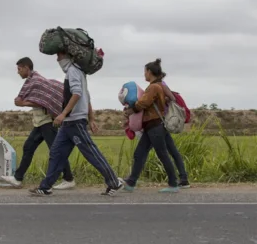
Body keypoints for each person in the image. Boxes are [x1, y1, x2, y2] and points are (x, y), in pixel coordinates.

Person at [30, 52, 123, 196]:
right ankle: (45, 187)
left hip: (75, 121)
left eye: (59, 56)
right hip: (68, 123)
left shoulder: (73, 71)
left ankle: (114, 182)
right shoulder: (77, 71)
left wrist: (63, 114)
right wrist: (91, 118)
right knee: (56, 153)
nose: (57, 59)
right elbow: (87, 95)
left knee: (90, 152)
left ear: (68, 56)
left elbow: (78, 93)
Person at [1, 57, 75, 190]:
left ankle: (68, 178)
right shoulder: (31, 81)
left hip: (47, 122)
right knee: (28, 147)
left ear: (26, 68)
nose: (18, 72)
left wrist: (23, 103)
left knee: (56, 150)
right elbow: (38, 99)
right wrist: (22, 102)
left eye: (19, 69)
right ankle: (18, 178)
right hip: (40, 123)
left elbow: (42, 101)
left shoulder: (37, 81)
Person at [119, 59, 185, 193]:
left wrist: (131, 109)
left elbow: (144, 103)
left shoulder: (154, 87)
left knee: (162, 155)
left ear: (149, 72)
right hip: (154, 127)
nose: (144, 74)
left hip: (155, 127)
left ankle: (173, 184)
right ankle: (131, 182)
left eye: (145, 71)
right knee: (140, 153)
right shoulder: (159, 85)